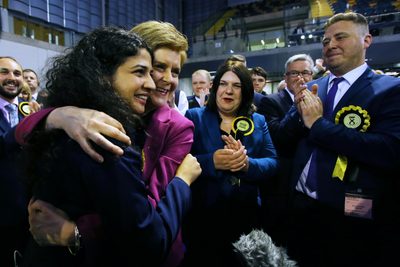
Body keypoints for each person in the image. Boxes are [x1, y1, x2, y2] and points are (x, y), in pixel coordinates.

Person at [18, 27, 201, 267]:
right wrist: (58, 115)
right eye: (154, 68)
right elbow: (16, 136)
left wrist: (76, 232)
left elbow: (150, 213)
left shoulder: (178, 126)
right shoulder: (81, 122)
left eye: (175, 71)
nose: (165, 79)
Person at [285, 13, 400, 266]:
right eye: (326, 41)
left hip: (351, 214)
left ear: (366, 40)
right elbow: (283, 138)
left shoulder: (390, 90)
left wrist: (318, 124)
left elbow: (389, 151)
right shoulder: (314, 86)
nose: (330, 45)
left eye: (340, 37)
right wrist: (298, 115)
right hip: (301, 206)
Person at [181, 60, 279, 267]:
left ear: (245, 91)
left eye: (237, 86)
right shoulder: (194, 116)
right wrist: (212, 162)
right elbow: (180, 162)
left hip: (246, 216)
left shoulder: (258, 120)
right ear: (215, 88)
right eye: (223, 84)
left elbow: (272, 162)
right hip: (204, 216)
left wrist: (247, 165)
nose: (229, 91)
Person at [256, 54, 314, 246]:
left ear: (312, 75)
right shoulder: (271, 102)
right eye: (294, 73)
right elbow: (278, 137)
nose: (300, 78)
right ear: (285, 77)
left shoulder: (320, 100)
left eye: (305, 72)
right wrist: (296, 108)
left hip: (314, 183)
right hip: (282, 185)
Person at [0, 56, 32, 266]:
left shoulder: (29, 110)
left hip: (31, 210)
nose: (12, 78)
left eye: (17, 73)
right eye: (4, 72)